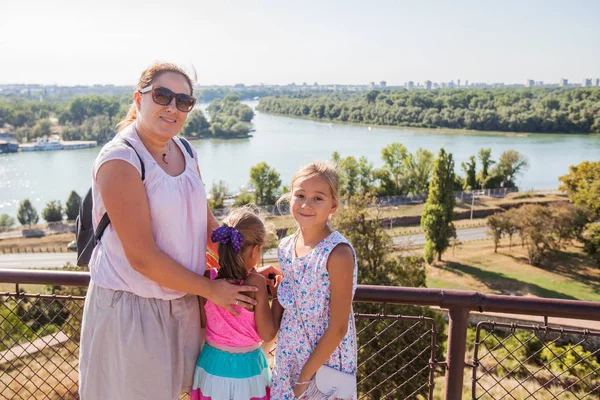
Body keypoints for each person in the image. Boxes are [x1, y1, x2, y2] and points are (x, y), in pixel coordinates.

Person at [78, 62, 278, 400]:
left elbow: (209, 229)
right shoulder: (120, 161)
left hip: (182, 305)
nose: (173, 107)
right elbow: (142, 257)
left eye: (183, 101)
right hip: (133, 311)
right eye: (163, 96)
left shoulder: (185, 150)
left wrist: (248, 273)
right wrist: (212, 291)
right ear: (139, 100)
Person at [270, 161, 358, 399]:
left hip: (324, 365)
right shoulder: (286, 247)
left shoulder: (338, 253)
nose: (306, 204)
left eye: (318, 198)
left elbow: (339, 327)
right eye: (300, 195)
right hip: (288, 358)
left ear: (333, 206)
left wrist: (305, 377)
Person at [191, 207, 278, 400]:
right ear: (255, 250)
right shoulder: (256, 283)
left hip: (211, 365)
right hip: (247, 370)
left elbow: (204, 324)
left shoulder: (207, 279)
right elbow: (268, 333)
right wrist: (278, 296)